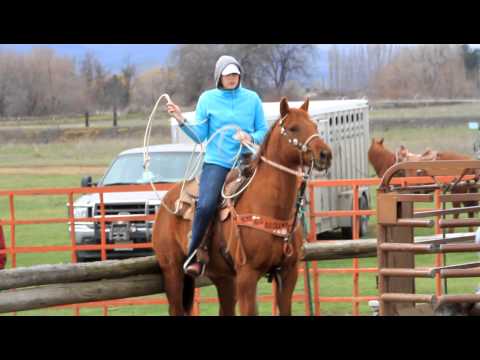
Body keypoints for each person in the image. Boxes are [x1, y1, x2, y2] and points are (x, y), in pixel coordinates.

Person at [166, 55, 268, 277]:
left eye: (235, 74)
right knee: (206, 203)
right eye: (228, 75)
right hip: (218, 162)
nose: (232, 78)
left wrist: (249, 136)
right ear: (219, 77)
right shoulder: (207, 99)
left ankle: (280, 247)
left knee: (274, 192)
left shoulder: (252, 99)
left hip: (247, 160)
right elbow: (200, 135)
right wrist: (181, 119)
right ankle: (195, 254)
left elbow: (263, 131)